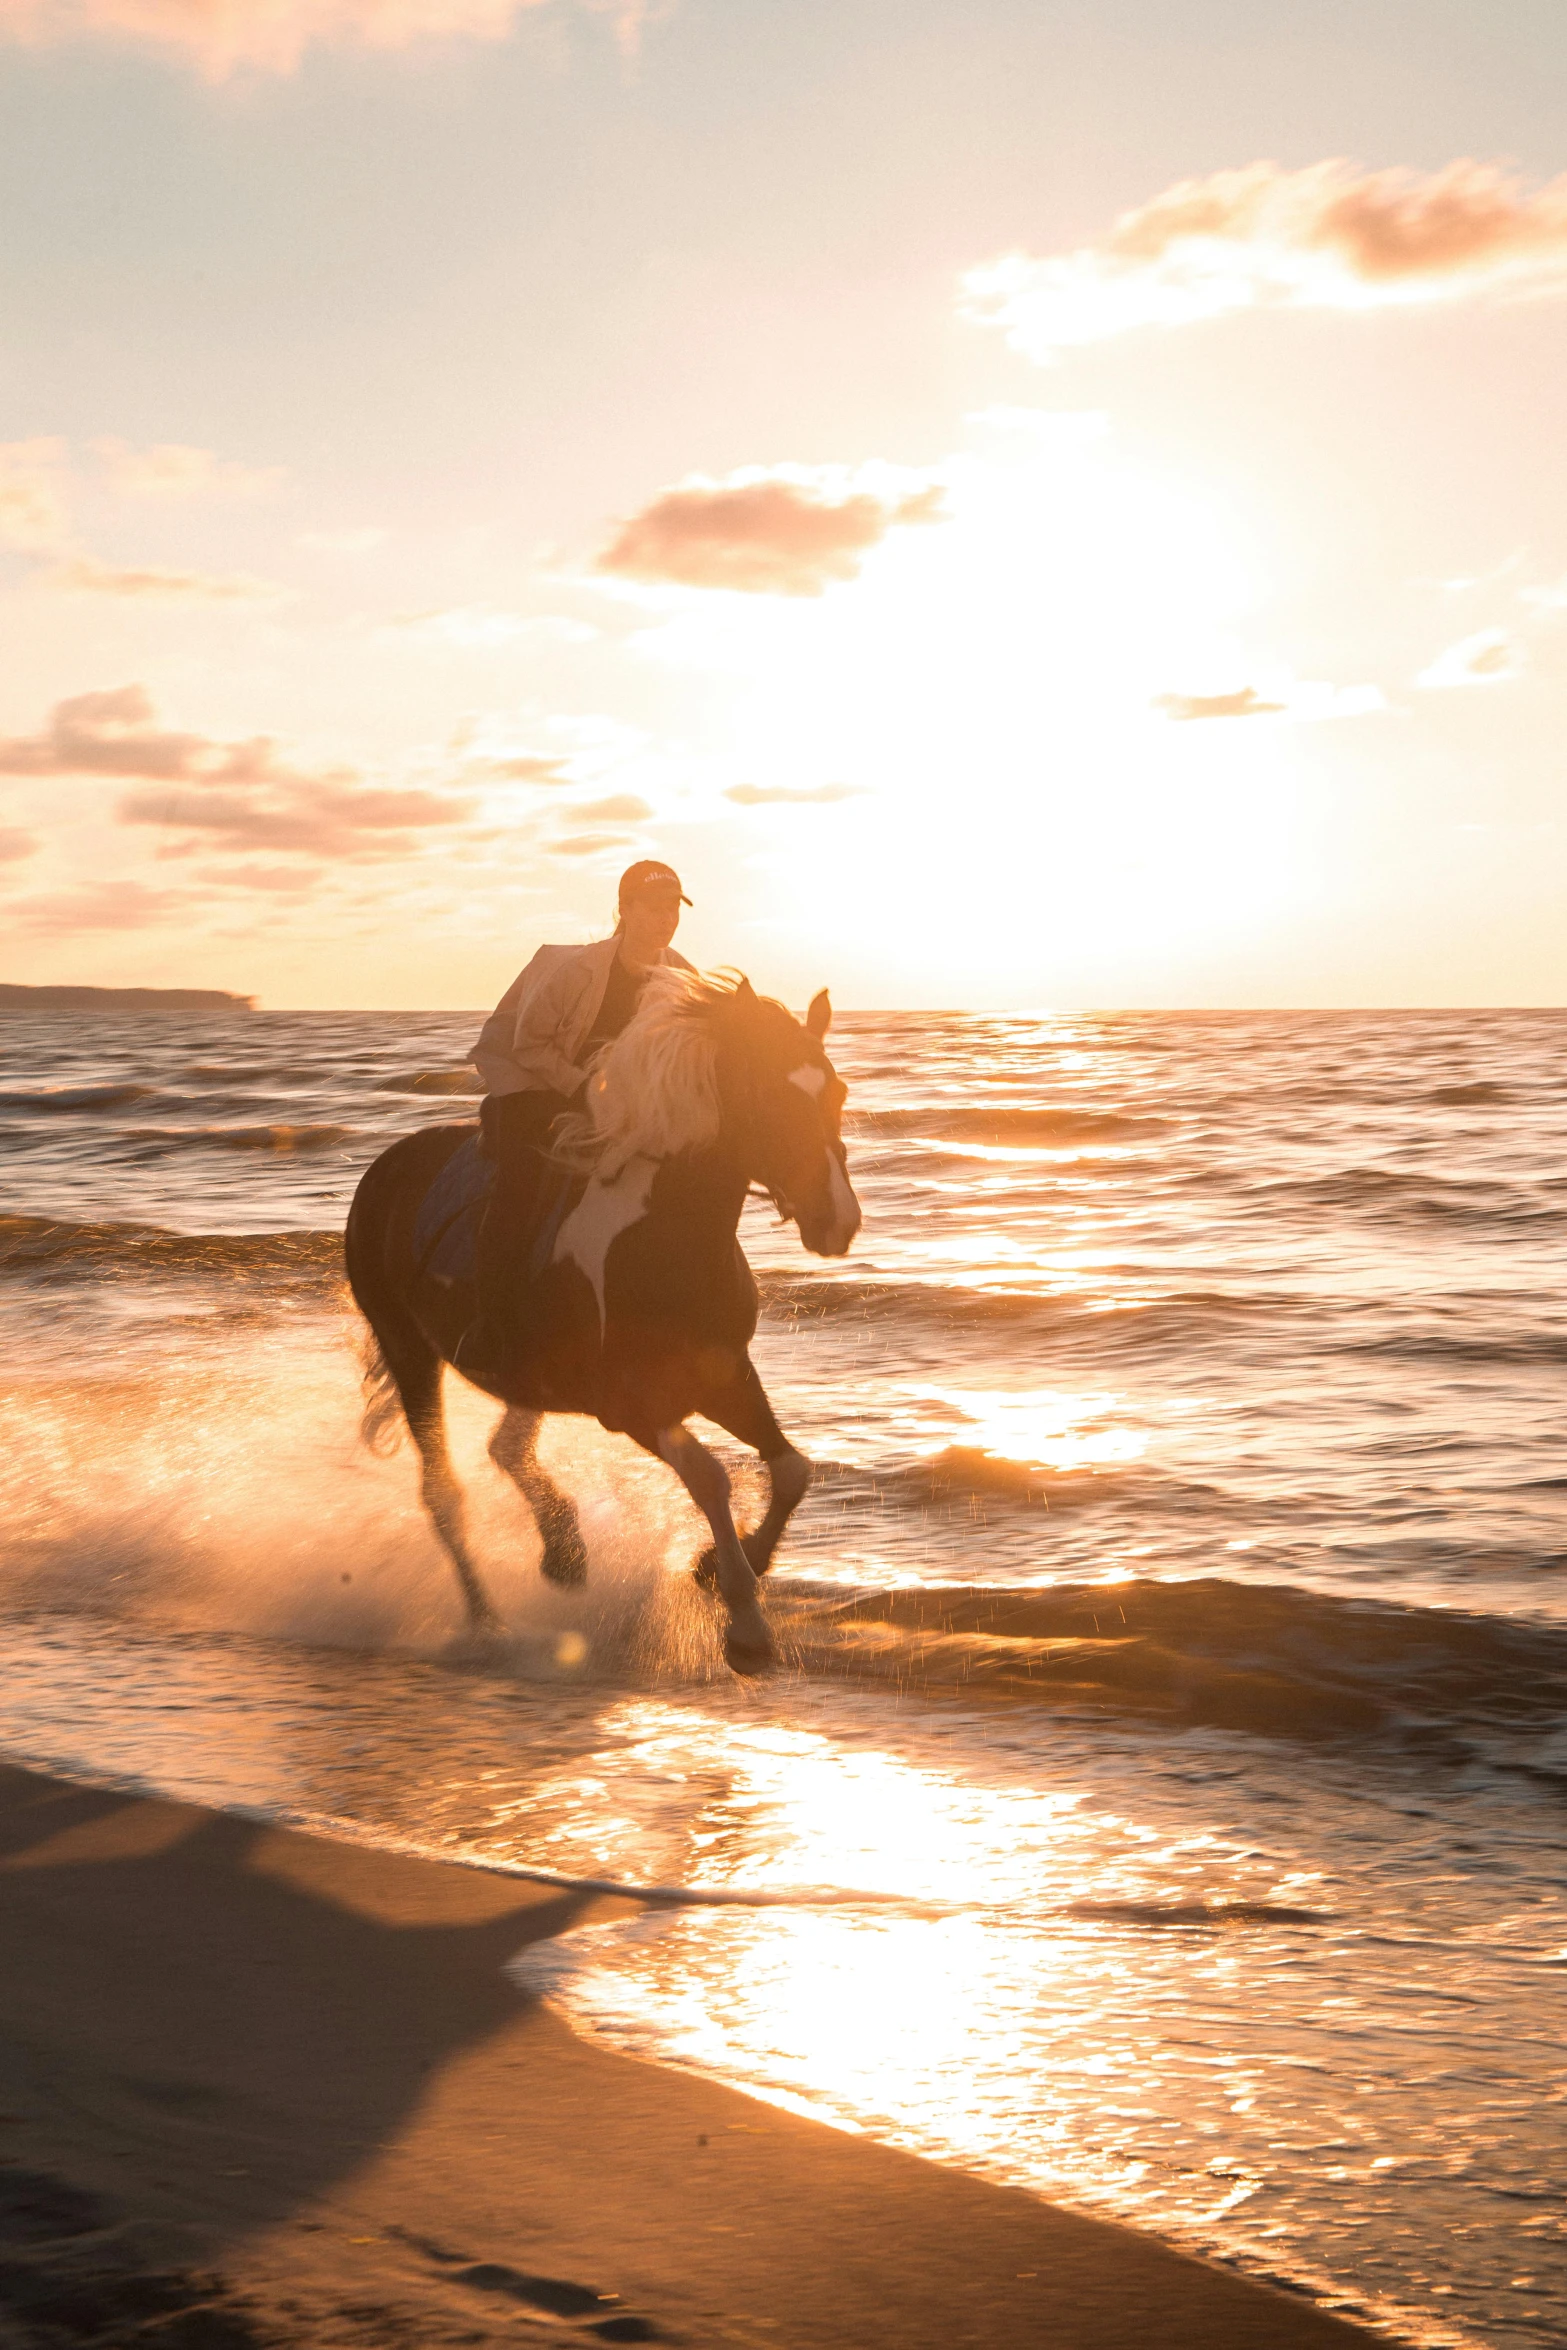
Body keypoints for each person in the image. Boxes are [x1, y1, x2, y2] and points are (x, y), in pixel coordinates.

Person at [455, 861, 695, 1377]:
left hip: (611, 1096)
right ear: (624, 909)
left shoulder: (680, 976)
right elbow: (528, 1046)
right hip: (534, 1082)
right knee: (522, 1184)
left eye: (674, 907)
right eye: (655, 907)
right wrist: (584, 1087)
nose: (667, 918)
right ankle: (490, 1323)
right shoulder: (574, 970)